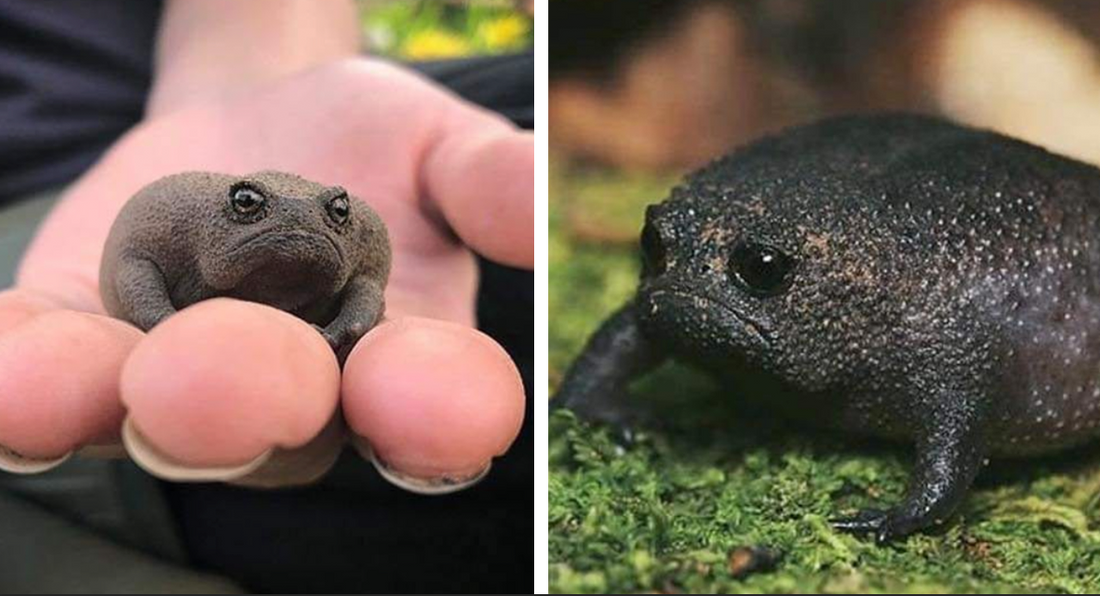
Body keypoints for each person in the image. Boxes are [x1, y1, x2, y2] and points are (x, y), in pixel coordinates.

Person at [0, 0, 533, 592]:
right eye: (250, 211)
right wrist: (156, 318)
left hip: (185, 108)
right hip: (41, 235)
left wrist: (267, 77)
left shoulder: (359, 231)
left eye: (334, 216)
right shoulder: (167, 216)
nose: (310, 227)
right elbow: (133, 263)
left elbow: (364, 285)